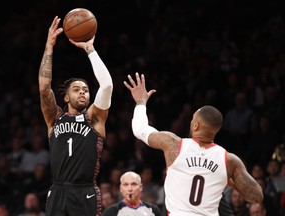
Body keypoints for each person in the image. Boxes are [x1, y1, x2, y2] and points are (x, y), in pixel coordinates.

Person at [124, 72, 263, 216]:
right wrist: (233, 183)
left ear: (195, 126)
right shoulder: (229, 160)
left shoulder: (173, 144)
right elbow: (257, 196)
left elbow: (139, 129)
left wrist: (140, 102)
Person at [38, 16, 113, 216]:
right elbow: (45, 89)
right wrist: (49, 47)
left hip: (85, 191)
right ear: (66, 97)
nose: (82, 92)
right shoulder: (54, 119)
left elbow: (106, 86)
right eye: (77, 89)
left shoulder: (94, 119)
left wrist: (90, 50)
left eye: (86, 90)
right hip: (58, 189)